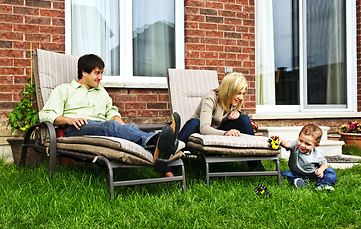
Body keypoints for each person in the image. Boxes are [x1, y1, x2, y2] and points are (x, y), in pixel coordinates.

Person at [39, 54, 180, 176]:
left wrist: (117, 119)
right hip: (76, 129)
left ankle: (158, 149)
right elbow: (46, 114)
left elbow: (111, 111)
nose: (100, 77)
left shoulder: (101, 92)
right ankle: (157, 140)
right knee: (111, 126)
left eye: (101, 73)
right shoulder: (64, 90)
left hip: (102, 127)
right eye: (97, 73)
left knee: (128, 126)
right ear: (84, 72)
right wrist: (69, 120)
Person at [177, 71, 264, 170]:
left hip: (218, 128)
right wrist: (225, 133)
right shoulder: (210, 97)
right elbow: (204, 128)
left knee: (244, 118)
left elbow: (226, 119)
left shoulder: (233, 101)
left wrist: (236, 112)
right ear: (229, 90)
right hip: (197, 129)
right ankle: (171, 161)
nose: (241, 97)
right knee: (194, 122)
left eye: (243, 94)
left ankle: (256, 165)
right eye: (238, 93)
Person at [277, 124, 337, 190]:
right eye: (301, 141)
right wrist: (280, 140)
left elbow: (324, 164)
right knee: (285, 173)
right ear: (298, 138)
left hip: (313, 174)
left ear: (316, 145)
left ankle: (323, 184)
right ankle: (299, 182)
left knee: (330, 171)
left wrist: (320, 170)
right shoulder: (295, 146)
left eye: (307, 144)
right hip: (296, 173)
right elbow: (287, 144)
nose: (302, 145)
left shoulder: (317, 154)